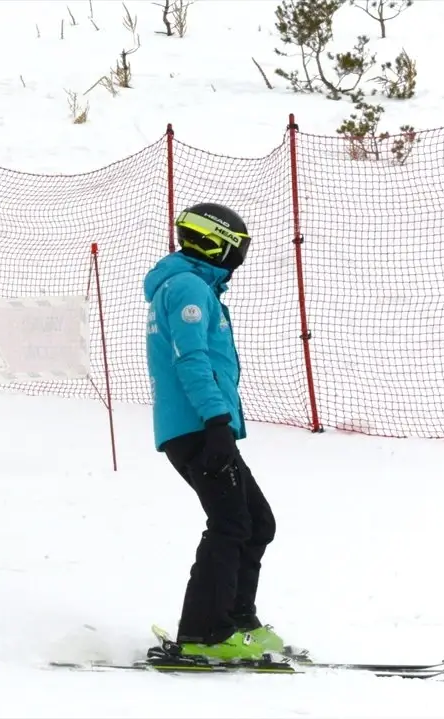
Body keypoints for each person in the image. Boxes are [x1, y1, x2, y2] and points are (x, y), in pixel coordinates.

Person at [142, 202, 283, 662]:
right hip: (197, 427)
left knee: (257, 522)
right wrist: (216, 421)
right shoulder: (186, 287)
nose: (239, 258)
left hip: (204, 425)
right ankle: (205, 633)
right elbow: (191, 359)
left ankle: (238, 621)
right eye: (236, 248)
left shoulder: (197, 286)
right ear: (216, 244)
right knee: (230, 523)